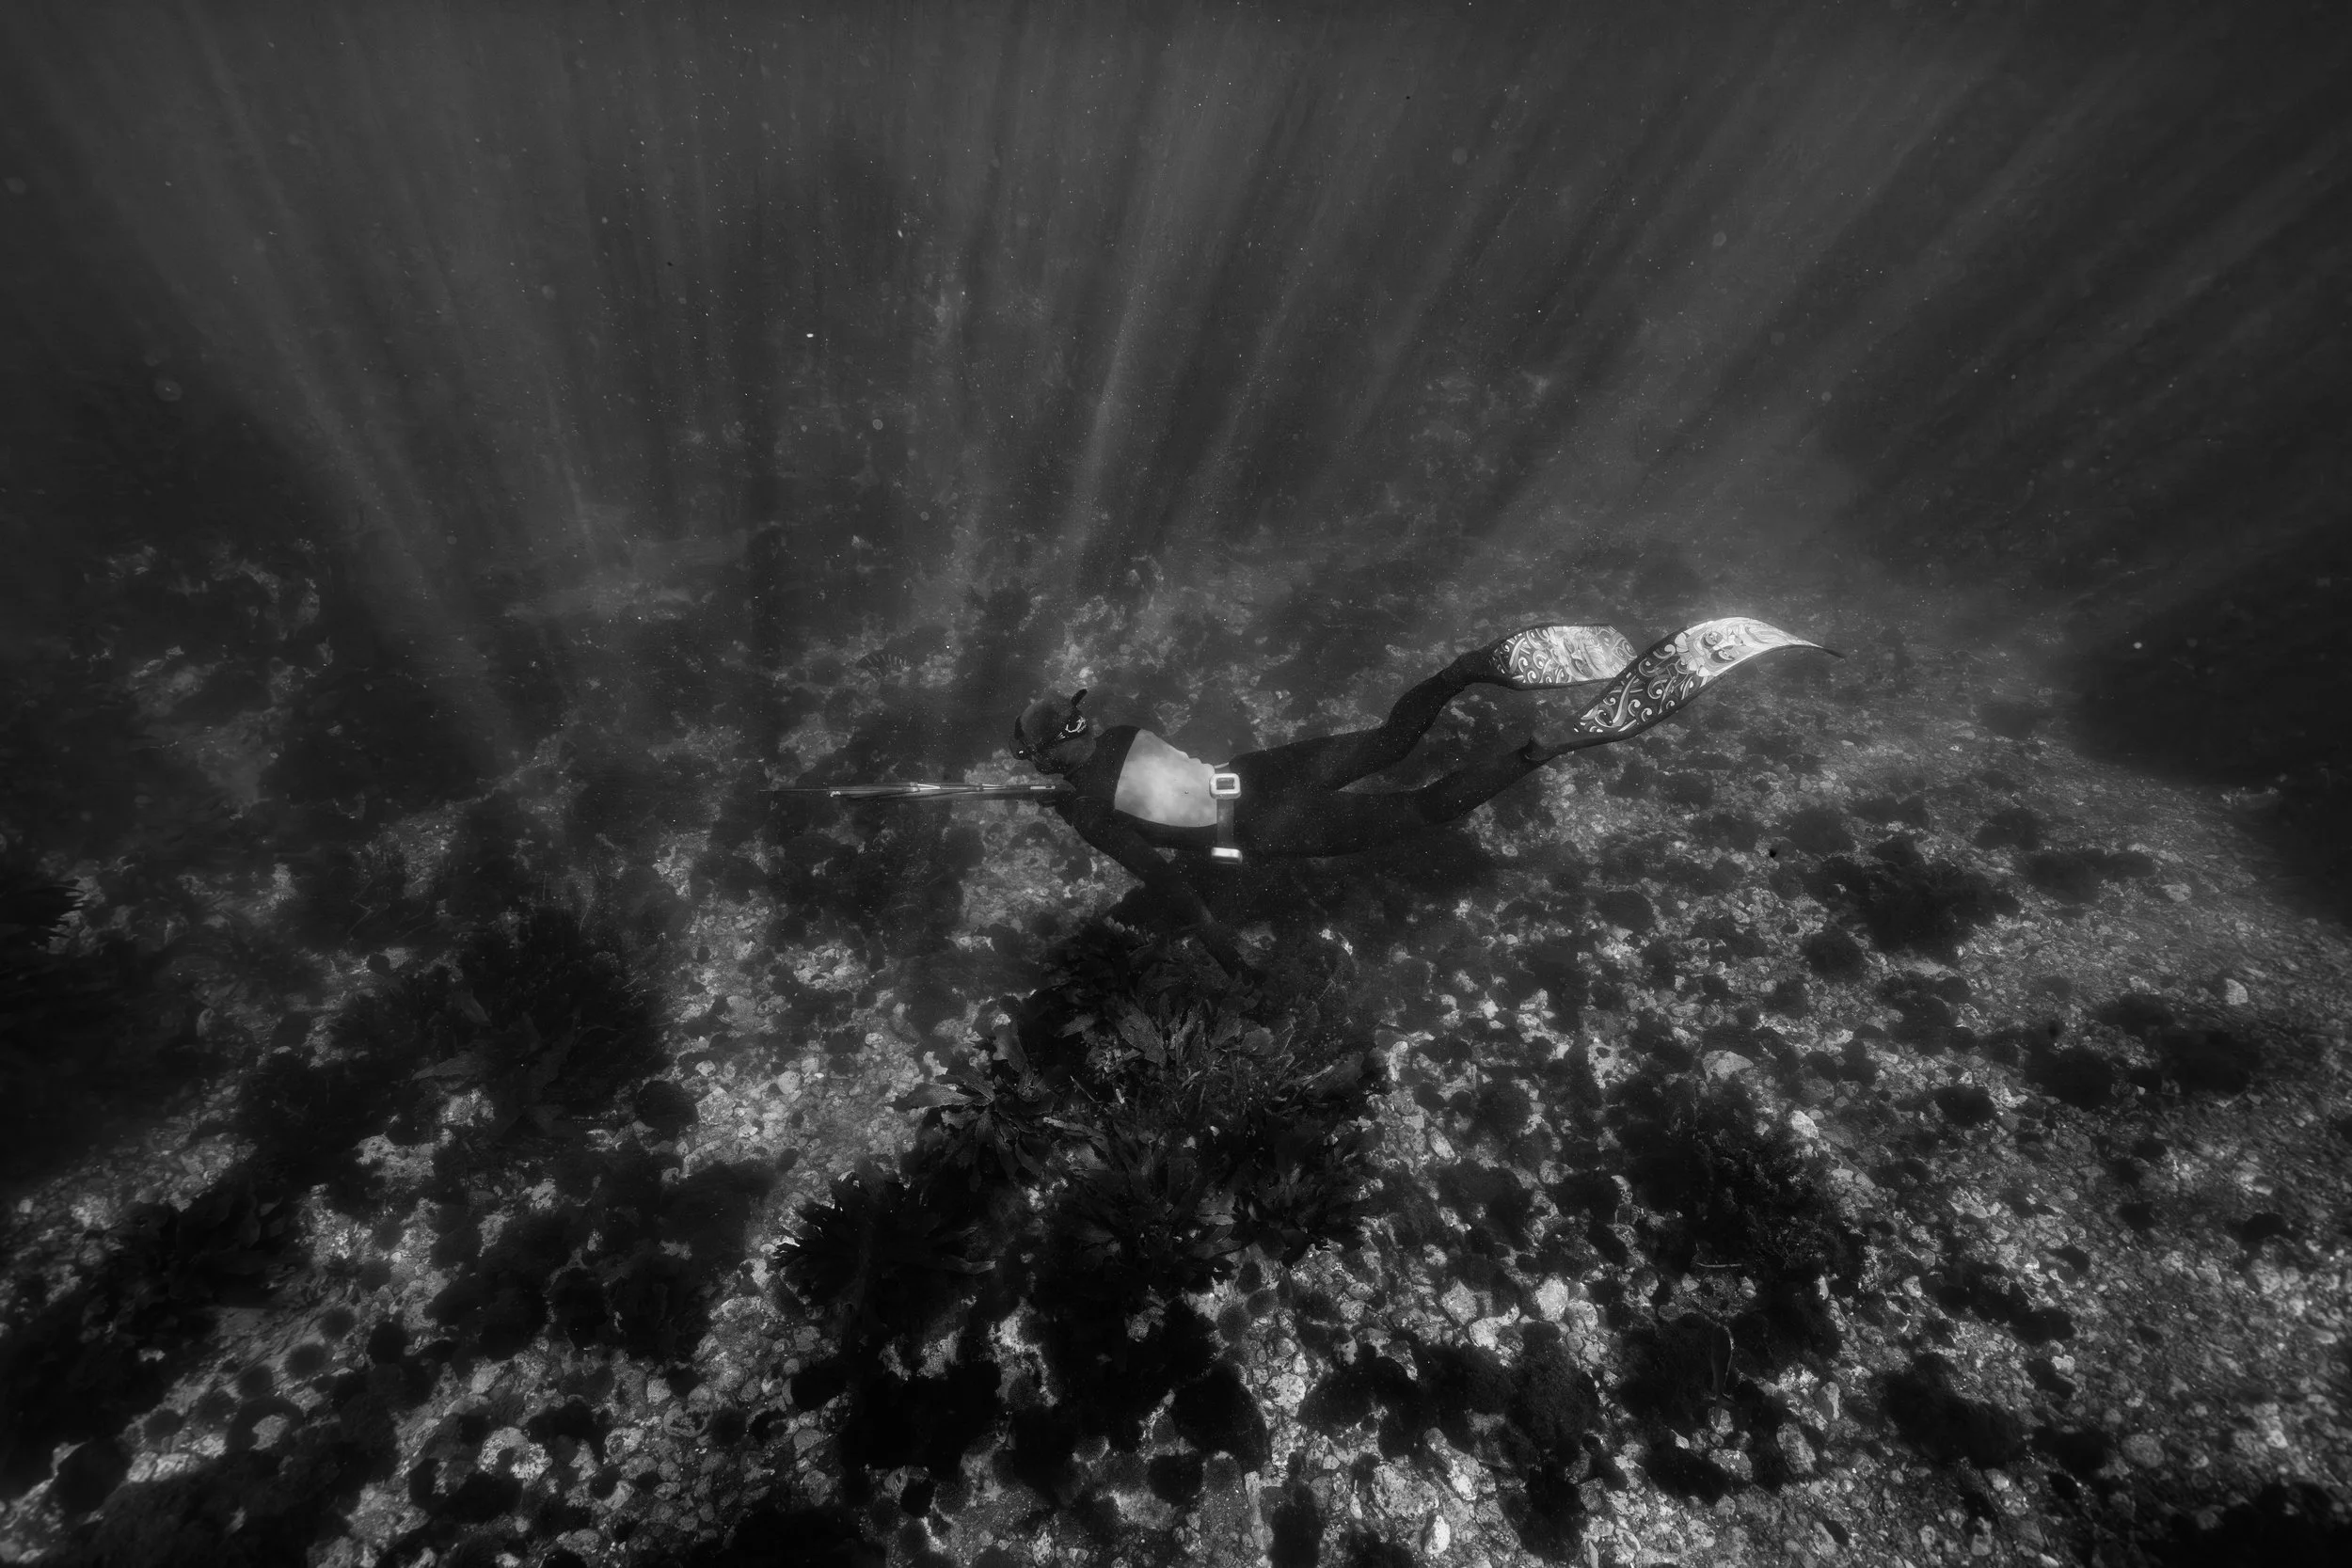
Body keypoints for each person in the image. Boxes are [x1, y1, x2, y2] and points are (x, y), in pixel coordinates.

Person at [1012, 617, 1833, 981]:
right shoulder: (1114, 735)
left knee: (1425, 810)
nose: (1086, 719)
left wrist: (1222, 945)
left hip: (1259, 816)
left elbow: (1160, 877)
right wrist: (1071, 789)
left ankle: (1541, 745)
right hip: (1255, 773)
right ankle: (1459, 672)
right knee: (1387, 742)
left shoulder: (1087, 800)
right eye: (1072, 719)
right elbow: (1120, 781)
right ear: (1076, 731)